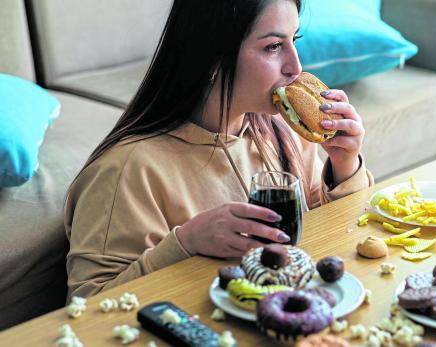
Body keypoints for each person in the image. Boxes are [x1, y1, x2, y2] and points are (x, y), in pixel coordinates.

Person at [64, 0, 373, 299]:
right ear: (211, 58)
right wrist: (186, 243)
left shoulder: (287, 131)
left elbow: (334, 244)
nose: (296, 67)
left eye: (294, 40)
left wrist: (344, 166)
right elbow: (87, 307)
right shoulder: (125, 171)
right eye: (273, 47)